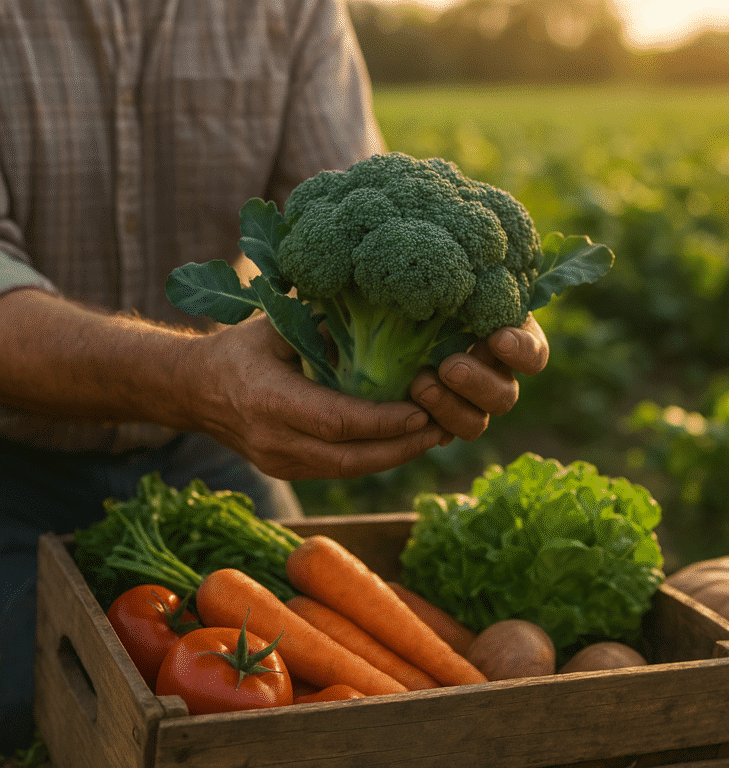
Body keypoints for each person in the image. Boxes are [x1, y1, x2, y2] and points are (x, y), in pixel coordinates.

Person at [0, 0, 549, 753]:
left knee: (298, 717)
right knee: (33, 707)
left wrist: (475, 321)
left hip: (203, 442)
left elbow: (359, 195)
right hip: (12, 455)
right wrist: (194, 378)